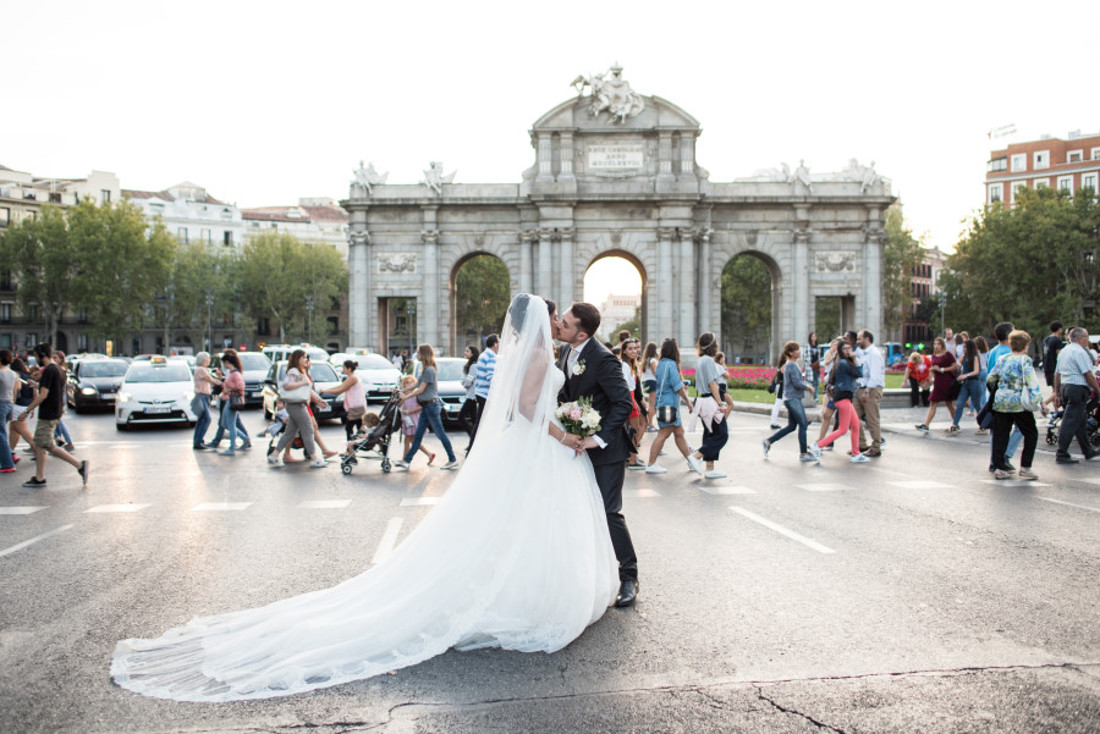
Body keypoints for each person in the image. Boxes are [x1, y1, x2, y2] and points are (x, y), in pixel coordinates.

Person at [111, 294, 618, 702]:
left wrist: (572, 424)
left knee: (513, 523)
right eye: (555, 315)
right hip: (540, 448)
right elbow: (529, 407)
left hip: (529, 450)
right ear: (539, 322)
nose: (559, 321)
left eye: (564, 317)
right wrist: (566, 436)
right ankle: (524, 593)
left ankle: (515, 583)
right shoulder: (535, 354)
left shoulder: (536, 353)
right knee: (528, 522)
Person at [555, 299, 639, 607]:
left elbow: (623, 404)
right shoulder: (566, 352)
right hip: (578, 445)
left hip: (608, 450)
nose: (558, 325)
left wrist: (598, 438)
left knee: (608, 512)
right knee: (581, 511)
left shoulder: (604, 359)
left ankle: (629, 576)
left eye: (564, 323)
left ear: (581, 334)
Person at [21, 343, 88, 488]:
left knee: (48, 445)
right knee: (39, 444)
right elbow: (53, 389)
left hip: (48, 413)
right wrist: (36, 385)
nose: (36, 359)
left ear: (42, 355)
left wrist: (27, 410)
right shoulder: (59, 369)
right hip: (55, 411)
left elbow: (44, 395)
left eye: (36, 356)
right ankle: (39, 478)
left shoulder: (49, 371)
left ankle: (79, 465)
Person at [987, 330, 1043, 480]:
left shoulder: (1003, 358)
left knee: (1001, 435)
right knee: (1031, 432)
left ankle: (999, 467)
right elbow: (1032, 382)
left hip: (1001, 401)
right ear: (1025, 345)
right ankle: (1025, 466)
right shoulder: (1025, 360)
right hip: (1018, 402)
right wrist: (1039, 401)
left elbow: (990, 378)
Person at [394, 344, 459, 470]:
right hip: (426, 406)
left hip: (431, 406)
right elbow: (417, 384)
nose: (416, 355)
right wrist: (403, 390)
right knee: (418, 435)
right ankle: (407, 461)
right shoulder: (425, 368)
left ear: (423, 354)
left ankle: (452, 459)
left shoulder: (429, 369)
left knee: (440, 434)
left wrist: (405, 397)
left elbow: (421, 389)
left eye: (418, 353)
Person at [645, 338, 704, 476]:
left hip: (665, 404)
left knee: (679, 433)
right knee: (663, 434)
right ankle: (651, 464)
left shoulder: (661, 364)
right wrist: (689, 402)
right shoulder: (671, 365)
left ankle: (691, 460)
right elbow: (678, 386)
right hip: (668, 405)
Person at [267, 350, 328, 469]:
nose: (306, 360)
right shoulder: (293, 371)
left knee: (289, 433)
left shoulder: (301, 371)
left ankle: (274, 455)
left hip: (299, 404)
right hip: (296, 405)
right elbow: (287, 385)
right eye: (304, 357)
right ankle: (314, 458)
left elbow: (308, 390)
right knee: (308, 429)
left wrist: (319, 400)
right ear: (297, 359)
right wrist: (302, 382)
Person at [811, 339, 867, 463]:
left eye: (850, 348)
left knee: (856, 424)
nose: (848, 351)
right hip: (842, 398)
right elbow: (860, 373)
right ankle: (818, 445)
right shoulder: (843, 363)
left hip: (845, 398)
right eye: (845, 349)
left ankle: (856, 453)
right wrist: (855, 358)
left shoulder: (843, 362)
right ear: (840, 351)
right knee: (843, 429)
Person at [1051, 326, 1100, 463]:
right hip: (1077, 388)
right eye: (1086, 337)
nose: (1087, 340)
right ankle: (1061, 453)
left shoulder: (1064, 351)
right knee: (1070, 421)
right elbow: (1088, 374)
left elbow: (1057, 374)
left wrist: (1058, 392)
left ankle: (1087, 450)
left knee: (1080, 420)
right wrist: (1097, 391)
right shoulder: (1080, 352)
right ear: (1080, 338)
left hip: (1066, 387)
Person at [684, 333, 729, 478]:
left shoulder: (700, 360)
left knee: (711, 434)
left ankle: (710, 468)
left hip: (702, 400)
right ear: (712, 345)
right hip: (710, 400)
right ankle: (696, 456)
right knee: (722, 434)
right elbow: (712, 384)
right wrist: (720, 403)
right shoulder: (709, 361)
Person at [762, 341, 814, 463]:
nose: (799, 351)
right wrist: (808, 387)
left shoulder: (790, 364)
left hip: (790, 398)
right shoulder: (791, 365)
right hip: (792, 399)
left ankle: (768, 441)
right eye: (796, 350)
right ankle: (803, 453)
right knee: (803, 424)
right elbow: (796, 382)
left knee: (792, 426)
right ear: (791, 352)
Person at [914, 338, 957, 432]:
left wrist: (942, 370)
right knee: (933, 403)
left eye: (938, 344)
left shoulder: (947, 354)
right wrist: (931, 374)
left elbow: (955, 366)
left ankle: (956, 423)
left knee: (949, 403)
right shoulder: (934, 356)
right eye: (935, 344)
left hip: (946, 381)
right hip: (938, 382)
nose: (936, 346)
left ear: (942, 345)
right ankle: (926, 425)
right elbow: (934, 368)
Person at [854, 329, 885, 456]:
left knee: (872, 419)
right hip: (859, 388)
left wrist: (867, 391)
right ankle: (861, 444)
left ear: (867, 339)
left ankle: (876, 447)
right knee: (853, 418)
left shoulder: (874, 354)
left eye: (859, 339)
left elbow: (875, 376)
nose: (857, 341)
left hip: (871, 389)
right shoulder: (861, 353)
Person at [619, 338, 646, 469]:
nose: (634, 351)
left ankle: (632, 457)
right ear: (624, 351)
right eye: (630, 349)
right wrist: (632, 402)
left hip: (631, 398)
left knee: (634, 429)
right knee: (634, 430)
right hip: (628, 399)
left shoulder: (631, 364)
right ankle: (632, 459)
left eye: (635, 348)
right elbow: (625, 386)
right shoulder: (624, 365)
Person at [215, 352, 249, 457]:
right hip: (228, 399)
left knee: (230, 424)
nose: (223, 365)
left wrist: (227, 390)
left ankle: (232, 447)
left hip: (231, 400)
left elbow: (240, 387)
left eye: (224, 363)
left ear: (227, 362)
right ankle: (244, 439)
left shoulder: (235, 374)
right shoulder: (233, 373)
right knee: (226, 424)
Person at [397, 374, 434, 465]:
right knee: (413, 441)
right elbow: (399, 405)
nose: (407, 385)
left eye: (410, 383)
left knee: (408, 440)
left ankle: (405, 459)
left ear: (414, 383)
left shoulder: (417, 394)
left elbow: (421, 406)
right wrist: (402, 397)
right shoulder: (405, 394)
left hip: (414, 419)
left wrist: (410, 411)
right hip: (407, 419)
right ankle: (429, 454)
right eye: (406, 383)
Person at [325, 360, 367, 441]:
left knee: (349, 428)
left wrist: (325, 391)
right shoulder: (351, 377)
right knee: (359, 428)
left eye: (344, 367)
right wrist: (326, 390)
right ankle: (355, 446)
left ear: (349, 369)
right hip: (357, 406)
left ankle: (351, 448)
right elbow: (340, 386)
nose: (343, 370)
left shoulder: (353, 378)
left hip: (356, 407)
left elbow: (340, 390)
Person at [469, 334, 499, 446]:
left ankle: (473, 447)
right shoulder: (490, 356)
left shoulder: (484, 355)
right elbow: (491, 377)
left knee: (480, 422)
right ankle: (472, 448)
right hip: (485, 394)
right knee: (481, 423)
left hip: (480, 392)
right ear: (495, 344)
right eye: (499, 342)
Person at [949, 339, 983, 434]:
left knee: (977, 405)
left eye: (965, 347)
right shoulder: (962, 356)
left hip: (974, 382)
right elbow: (959, 367)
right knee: (960, 403)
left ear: (969, 348)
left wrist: (965, 375)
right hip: (965, 383)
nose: (963, 349)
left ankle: (983, 425)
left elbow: (976, 371)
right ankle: (955, 425)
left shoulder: (975, 357)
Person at [191, 352, 221, 450]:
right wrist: (222, 383)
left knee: (202, 419)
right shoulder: (201, 370)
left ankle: (198, 441)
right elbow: (211, 380)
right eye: (207, 359)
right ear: (203, 360)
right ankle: (198, 441)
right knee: (207, 419)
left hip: (204, 396)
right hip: (201, 396)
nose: (209, 361)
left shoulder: (202, 370)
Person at [8, 356, 35, 455]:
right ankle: (11, 451)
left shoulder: (16, 375)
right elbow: (34, 392)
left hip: (18, 404)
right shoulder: (29, 376)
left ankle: (37, 448)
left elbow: (16, 390)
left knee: (21, 429)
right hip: (27, 404)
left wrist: (11, 404)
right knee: (14, 427)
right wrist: (32, 408)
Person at [51, 351, 75, 451]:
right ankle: (58, 440)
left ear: (61, 359)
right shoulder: (57, 369)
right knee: (56, 420)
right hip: (58, 397)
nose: (53, 360)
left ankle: (68, 442)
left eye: (55, 358)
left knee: (57, 420)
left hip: (59, 397)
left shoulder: (60, 370)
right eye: (52, 358)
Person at [458, 346, 480, 454]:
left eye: (467, 351)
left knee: (461, 416)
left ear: (473, 353)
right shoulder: (469, 365)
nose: (465, 352)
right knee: (475, 420)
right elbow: (464, 381)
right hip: (471, 395)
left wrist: (465, 382)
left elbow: (466, 382)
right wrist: (465, 381)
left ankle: (473, 440)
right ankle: (474, 442)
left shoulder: (474, 366)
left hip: (472, 397)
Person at [0, 349, 17, 473]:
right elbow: (14, 392)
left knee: (1, 435)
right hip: (9, 403)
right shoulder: (13, 373)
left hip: (0, 404)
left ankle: (7, 464)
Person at [641, 341, 659, 431]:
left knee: (650, 404)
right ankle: (649, 424)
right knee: (653, 405)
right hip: (653, 382)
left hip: (646, 382)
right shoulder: (652, 360)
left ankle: (648, 422)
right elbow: (655, 372)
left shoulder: (645, 359)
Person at [1043, 321, 1065, 390]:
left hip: (1047, 366)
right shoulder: (1057, 340)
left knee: (1053, 389)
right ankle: (1046, 401)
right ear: (1059, 329)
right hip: (1055, 367)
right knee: (1057, 390)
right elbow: (1059, 354)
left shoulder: (1046, 339)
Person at [806, 332, 821, 399]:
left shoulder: (818, 347)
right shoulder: (808, 346)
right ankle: (809, 396)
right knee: (809, 382)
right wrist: (811, 364)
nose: (814, 337)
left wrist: (817, 363)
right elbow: (806, 357)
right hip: (810, 366)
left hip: (816, 367)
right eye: (812, 336)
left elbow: (819, 357)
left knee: (816, 382)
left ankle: (816, 397)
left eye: (815, 336)